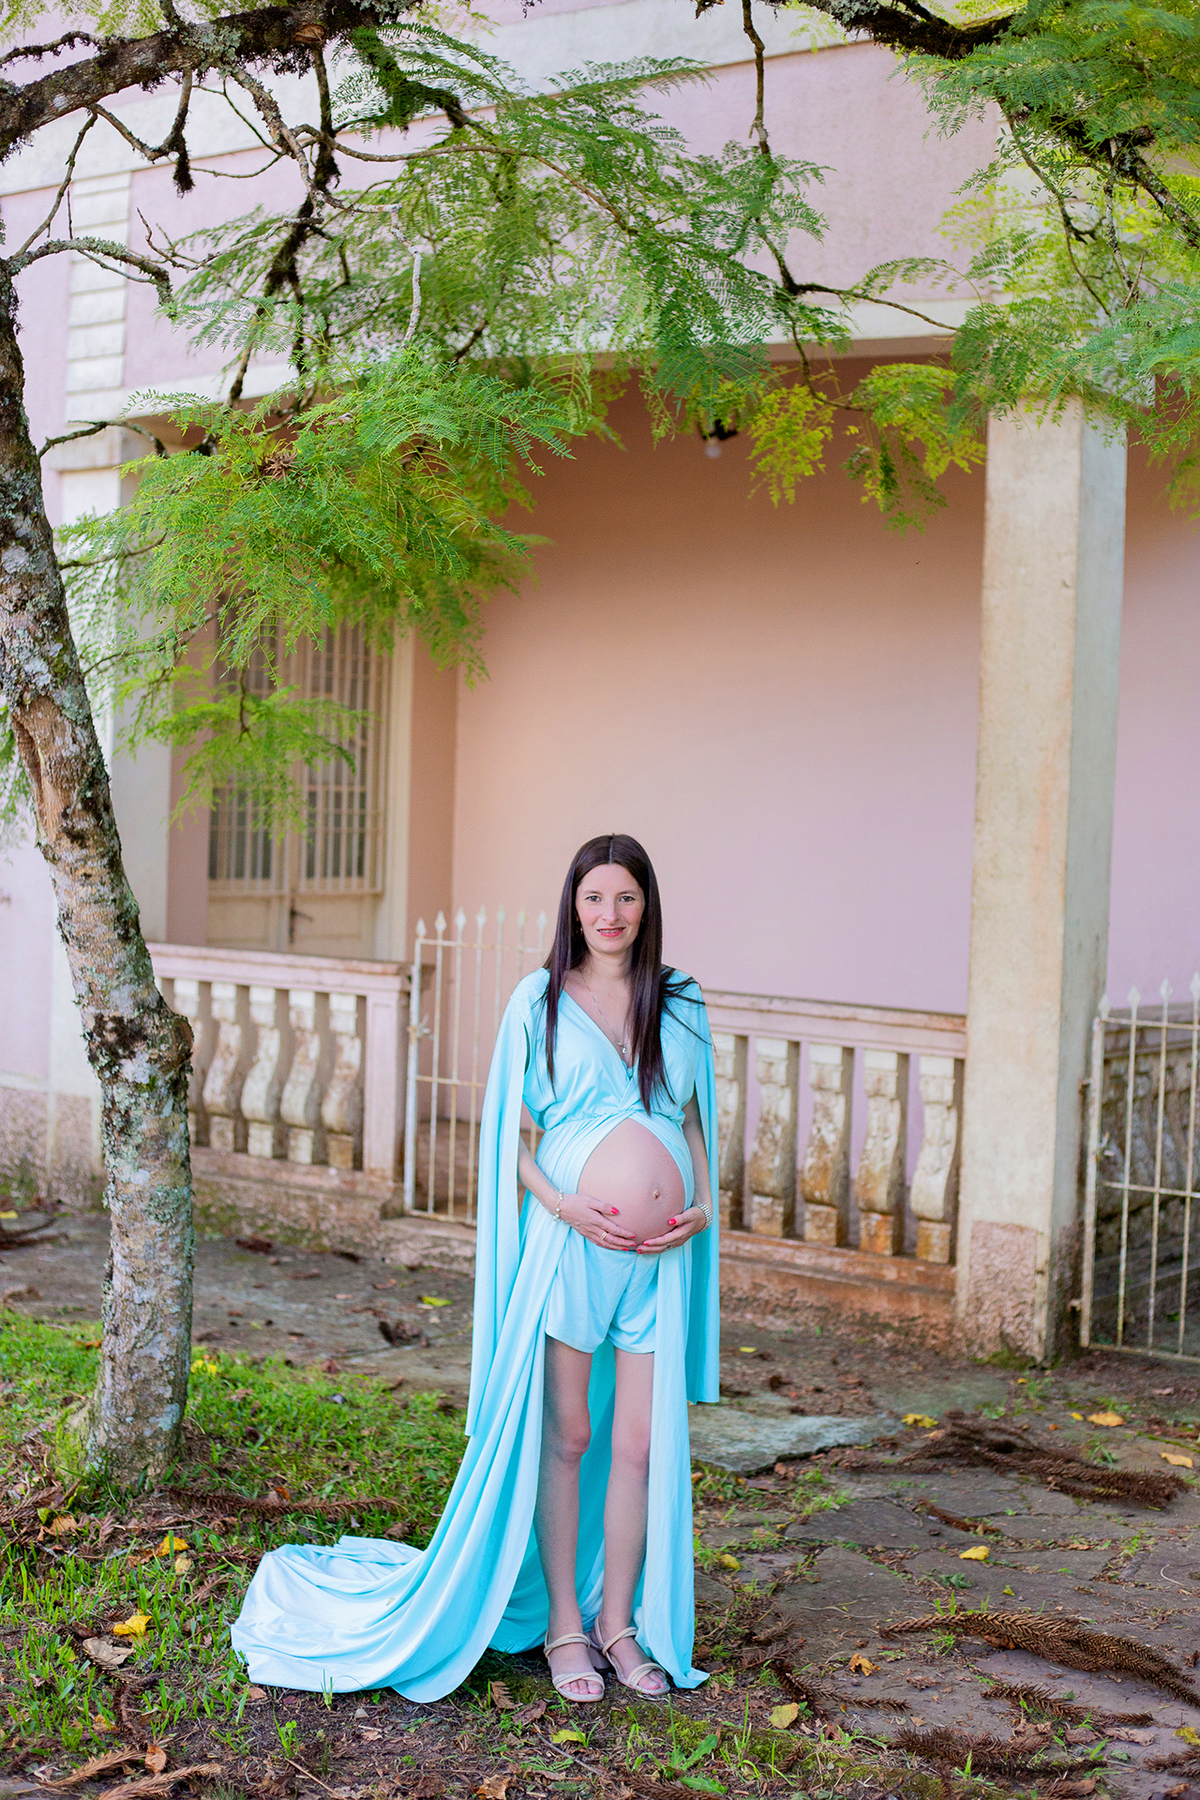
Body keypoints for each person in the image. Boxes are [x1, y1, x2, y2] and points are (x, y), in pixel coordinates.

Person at [231, 832, 720, 1704]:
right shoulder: (540, 1001)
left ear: (648, 906)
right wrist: (563, 1205)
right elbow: (510, 1140)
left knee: (641, 1444)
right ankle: (566, 1623)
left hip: (659, 1261)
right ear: (573, 906)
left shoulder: (679, 1002)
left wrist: (706, 1202)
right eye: (594, 899)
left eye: (627, 899)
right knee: (568, 1435)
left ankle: (622, 1624)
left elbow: (691, 1121)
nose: (610, 916)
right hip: (573, 1247)